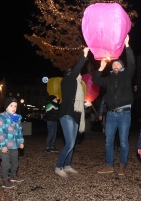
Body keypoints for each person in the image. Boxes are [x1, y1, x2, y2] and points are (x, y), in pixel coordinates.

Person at [93, 35, 136, 176]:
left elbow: (132, 63)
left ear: (122, 67)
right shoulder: (109, 79)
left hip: (124, 114)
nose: (116, 65)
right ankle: (109, 165)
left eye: (118, 64)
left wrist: (127, 46)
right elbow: (95, 79)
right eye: (114, 64)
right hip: (111, 114)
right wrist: (101, 67)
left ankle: (122, 165)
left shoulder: (127, 76)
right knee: (108, 141)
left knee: (123, 141)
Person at [55, 47, 90, 178]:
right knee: (69, 143)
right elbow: (76, 69)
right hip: (67, 114)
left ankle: (68, 165)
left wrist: (85, 104)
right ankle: (58, 167)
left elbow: (77, 102)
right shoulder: (68, 81)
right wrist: (85, 56)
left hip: (75, 115)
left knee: (72, 143)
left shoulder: (78, 87)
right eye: (77, 72)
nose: (79, 74)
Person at [0, 97, 25, 188]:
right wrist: (3, 145)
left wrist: (21, 142)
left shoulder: (17, 119)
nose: (14, 108)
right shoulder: (1, 119)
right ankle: (5, 179)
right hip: (5, 147)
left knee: (15, 161)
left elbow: (19, 132)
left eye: (15, 106)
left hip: (15, 145)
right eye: (11, 105)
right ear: (6, 107)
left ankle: (13, 175)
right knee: (6, 163)